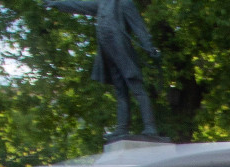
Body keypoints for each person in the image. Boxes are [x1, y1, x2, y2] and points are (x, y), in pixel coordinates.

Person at [48, 0, 161, 141]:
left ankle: (150, 127)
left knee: (136, 87)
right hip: (108, 52)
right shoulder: (102, 3)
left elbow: (138, 26)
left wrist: (149, 47)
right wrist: (55, 3)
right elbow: (78, 5)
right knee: (120, 91)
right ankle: (122, 128)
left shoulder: (125, 3)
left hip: (122, 51)